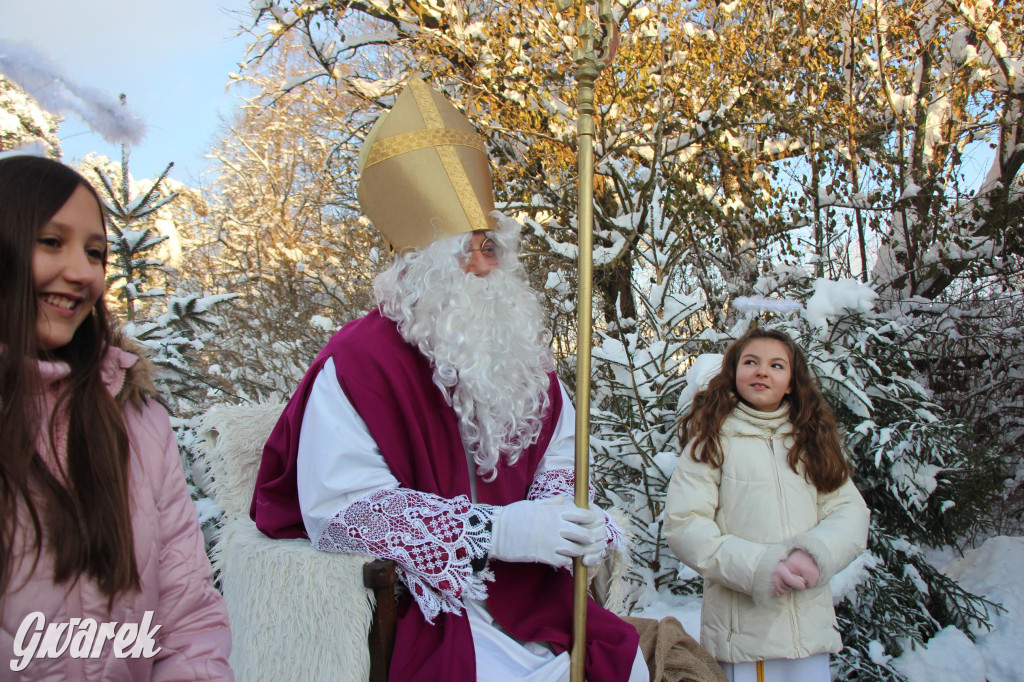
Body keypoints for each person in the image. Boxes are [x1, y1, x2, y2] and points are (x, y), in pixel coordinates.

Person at [250, 77, 648, 681]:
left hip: (528, 593)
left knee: (622, 662)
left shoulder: (523, 362)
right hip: (430, 598)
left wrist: (564, 521)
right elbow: (343, 510)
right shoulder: (359, 362)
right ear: (427, 266)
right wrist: (496, 529)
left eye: (493, 248)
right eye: (473, 249)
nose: (491, 266)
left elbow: (560, 461)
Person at [0, 155, 234, 681]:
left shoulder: (137, 421)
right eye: (51, 242)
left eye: (95, 252)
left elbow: (188, 617)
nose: (82, 272)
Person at [664, 327, 870, 681]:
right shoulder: (711, 441)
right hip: (745, 633)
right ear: (733, 373)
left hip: (809, 632)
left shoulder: (812, 441)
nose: (762, 371)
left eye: (776, 365)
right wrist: (759, 568)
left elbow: (850, 512)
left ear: (791, 382)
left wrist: (816, 552)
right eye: (751, 362)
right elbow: (685, 525)